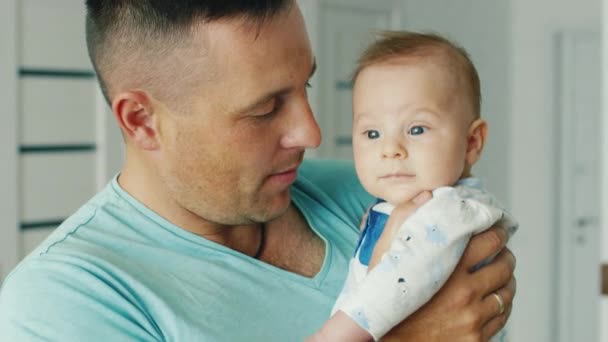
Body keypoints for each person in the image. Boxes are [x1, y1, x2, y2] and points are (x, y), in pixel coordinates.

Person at [0, 2, 516, 341]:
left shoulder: (376, 194)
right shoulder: (63, 301)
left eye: (304, 88)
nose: (311, 133)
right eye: (266, 108)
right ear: (142, 121)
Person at [309, 32, 518, 342]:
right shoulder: (402, 206)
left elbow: (397, 284)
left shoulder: (446, 212)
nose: (390, 148)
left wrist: (331, 337)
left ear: (471, 142)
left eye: (417, 129)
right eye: (372, 133)